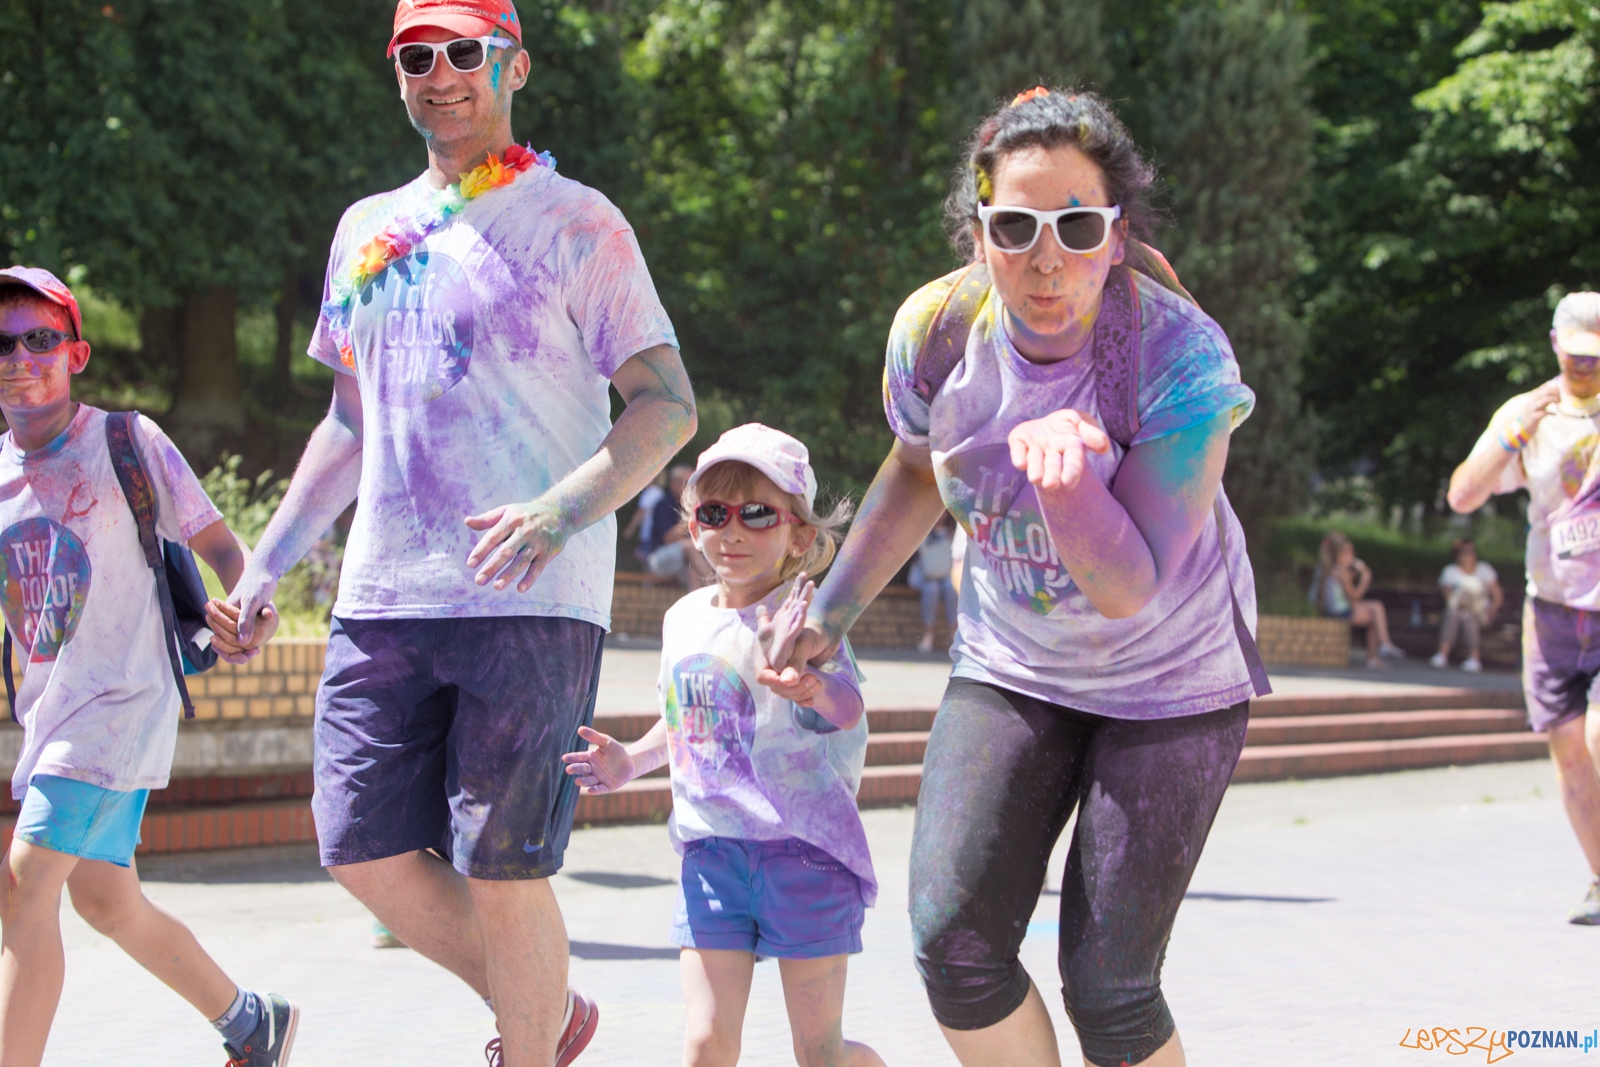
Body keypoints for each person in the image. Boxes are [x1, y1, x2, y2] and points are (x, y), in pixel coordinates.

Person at [221, 1, 698, 1063]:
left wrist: (557, 509)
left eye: (464, 52)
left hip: (528, 592)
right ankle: (546, 1012)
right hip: (382, 593)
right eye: (415, 55)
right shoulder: (364, 227)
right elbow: (348, 422)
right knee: (357, 845)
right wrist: (264, 564)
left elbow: (668, 405)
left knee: (502, 862)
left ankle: (525, 1041)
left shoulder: (579, 221)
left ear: (514, 66)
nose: (440, 73)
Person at [768, 88, 1270, 1067]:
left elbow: (1128, 584)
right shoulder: (936, 331)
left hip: (1172, 683)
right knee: (955, 948)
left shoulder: (1178, 353)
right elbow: (917, 467)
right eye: (1015, 227)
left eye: (1077, 228)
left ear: (1116, 238)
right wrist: (829, 612)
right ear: (978, 232)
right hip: (1013, 664)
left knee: (1110, 988)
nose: (1046, 260)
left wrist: (1068, 483)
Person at [0, 268, 291, 1065]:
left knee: (23, 889)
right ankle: (251, 1022)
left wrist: (252, 610)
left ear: (76, 353)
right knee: (106, 900)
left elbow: (223, 547)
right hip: (50, 715)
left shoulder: (125, 442)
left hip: (122, 703)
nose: (19, 357)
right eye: (3, 343)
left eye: (39, 338)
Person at [561, 425, 883, 1067]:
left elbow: (848, 710)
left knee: (819, 1052)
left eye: (757, 514)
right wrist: (632, 760)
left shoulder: (805, 618)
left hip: (806, 853)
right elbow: (689, 720)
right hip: (710, 854)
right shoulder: (682, 618)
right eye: (714, 513)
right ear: (693, 524)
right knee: (706, 1041)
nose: (732, 531)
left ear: (800, 535)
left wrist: (810, 685)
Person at [1446, 290, 1600, 925]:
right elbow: (1463, 495)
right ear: (1555, 344)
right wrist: (1513, 434)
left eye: (1597, 354)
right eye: (1576, 351)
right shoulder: (1528, 414)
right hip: (1552, 610)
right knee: (1569, 749)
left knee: (1598, 738)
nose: (1585, 364)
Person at [1313, 531, 1406, 669]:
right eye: (1349, 552)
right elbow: (1354, 597)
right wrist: (1365, 578)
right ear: (1339, 555)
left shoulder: (1331, 569)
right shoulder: (1341, 573)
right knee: (1376, 608)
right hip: (1339, 613)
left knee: (1375, 613)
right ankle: (1382, 646)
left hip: (1333, 610)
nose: (1352, 555)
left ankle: (1378, 652)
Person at [1429, 538, 1502, 673]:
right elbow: (1449, 599)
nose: (1469, 555)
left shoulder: (1485, 569)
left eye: (1471, 551)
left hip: (1482, 613)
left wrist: (1491, 610)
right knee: (1462, 614)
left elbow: (1497, 595)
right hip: (1459, 611)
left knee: (1465, 614)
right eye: (1464, 551)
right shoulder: (1450, 571)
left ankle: (1443, 654)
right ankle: (1473, 658)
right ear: (1457, 554)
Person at [644, 464, 714, 588]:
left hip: (683, 561)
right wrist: (694, 516)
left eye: (694, 483)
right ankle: (715, 586)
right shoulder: (663, 505)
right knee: (689, 547)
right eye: (687, 483)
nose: (692, 487)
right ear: (673, 484)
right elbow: (668, 539)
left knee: (694, 567)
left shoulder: (691, 504)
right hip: (657, 559)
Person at [908, 513, 959, 652]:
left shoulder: (951, 532)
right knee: (931, 590)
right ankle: (928, 634)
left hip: (947, 575)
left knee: (951, 587)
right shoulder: (922, 532)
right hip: (927, 577)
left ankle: (954, 632)